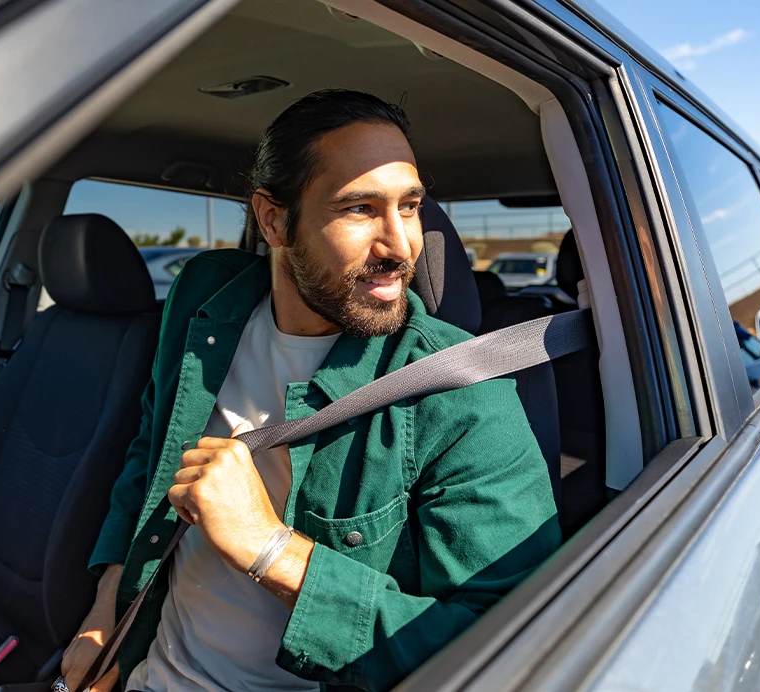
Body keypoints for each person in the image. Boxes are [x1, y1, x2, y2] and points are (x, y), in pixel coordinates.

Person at [60, 89, 560, 692]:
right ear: (273, 219)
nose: (401, 245)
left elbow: (512, 645)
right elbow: (153, 456)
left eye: (410, 206)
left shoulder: (462, 394)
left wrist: (268, 548)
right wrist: (105, 610)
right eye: (359, 209)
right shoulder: (204, 300)